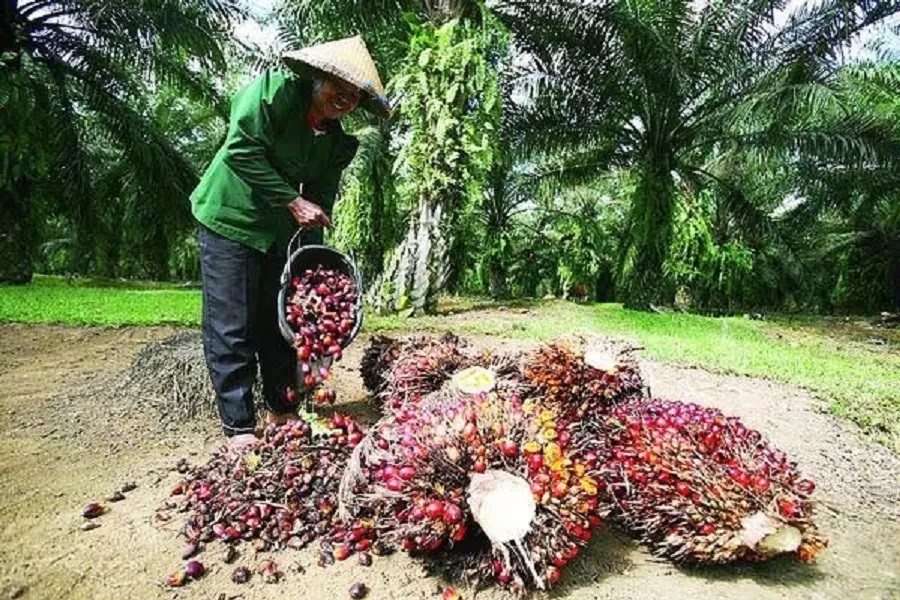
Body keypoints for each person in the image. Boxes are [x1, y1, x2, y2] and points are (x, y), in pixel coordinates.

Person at [190, 36, 391, 453]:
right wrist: (291, 200)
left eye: (355, 96)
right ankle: (239, 426)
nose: (345, 99)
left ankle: (281, 408)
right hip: (230, 217)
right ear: (320, 77)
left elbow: (319, 201)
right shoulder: (273, 94)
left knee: (282, 320)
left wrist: (313, 269)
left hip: (279, 232)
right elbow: (239, 151)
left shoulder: (338, 143)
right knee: (233, 324)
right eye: (340, 87)